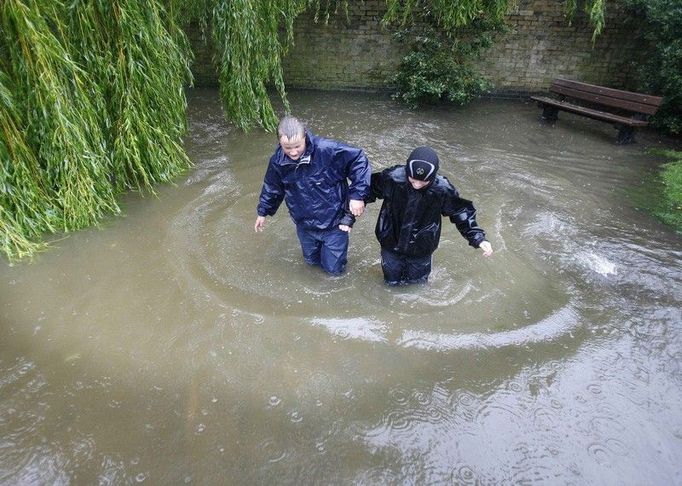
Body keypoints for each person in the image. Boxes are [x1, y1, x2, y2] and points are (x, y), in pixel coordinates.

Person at [254, 116, 371, 275]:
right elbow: (272, 187)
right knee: (311, 263)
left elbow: (359, 160)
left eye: (297, 146)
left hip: (335, 223)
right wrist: (263, 212)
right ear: (279, 143)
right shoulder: (277, 162)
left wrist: (358, 195)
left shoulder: (327, 150)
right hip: (304, 224)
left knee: (333, 272)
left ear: (305, 137)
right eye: (287, 147)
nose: (293, 152)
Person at [365, 146, 493, 285]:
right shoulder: (392, 178)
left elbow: (460, 212)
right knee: (391, 282)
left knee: (417, 285)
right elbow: (364, 191)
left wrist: (478, 237)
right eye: (413, 180)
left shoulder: (442, 189)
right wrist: (349, 215)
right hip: (390, 243)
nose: (417, 185)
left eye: (423, 182)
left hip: (421, 249)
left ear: (432, 177)